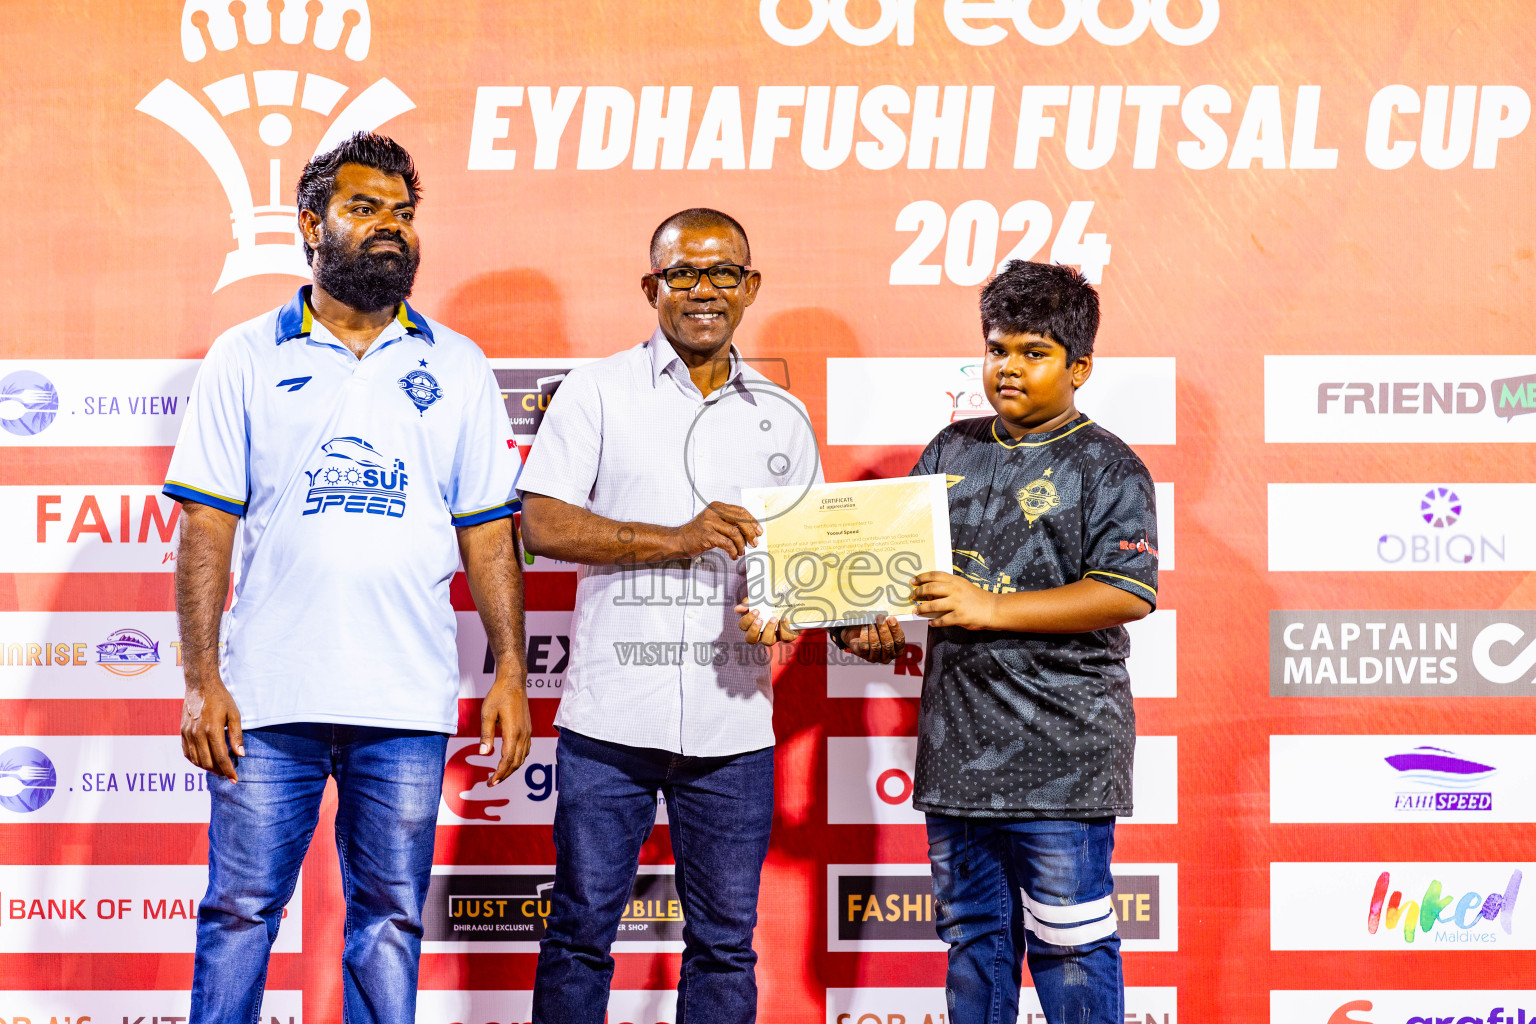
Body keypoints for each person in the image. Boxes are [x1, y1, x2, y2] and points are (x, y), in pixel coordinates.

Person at [167, 132, 531, 1024]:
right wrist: (201, 679)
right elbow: (206, 525)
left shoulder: (458, 364)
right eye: (365, 209)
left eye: (403, 215)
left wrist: (512, 673)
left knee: (389, 921)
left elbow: (489, 534)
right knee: (241, 912)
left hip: (403, 700)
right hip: (268, 697)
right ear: (310, 223)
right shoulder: (245, 355)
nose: (390, 230)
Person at [518, 208, 905, 1023]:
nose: (704, 290)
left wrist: (845, 619)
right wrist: (679, 539)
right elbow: (542, 524)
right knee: (580, 933)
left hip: (734, 730)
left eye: (723, 273)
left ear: (750, 286)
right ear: (651, 287)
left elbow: (806, 566)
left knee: (726, 944)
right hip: (611, 722)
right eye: (683, 274)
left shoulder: (783, 417)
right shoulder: (596, 392)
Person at [901, 260, 1158, 1024]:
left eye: (1033, 352)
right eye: (997, 349)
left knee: (1072, 945)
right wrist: (863, 620)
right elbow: (895, 569)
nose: (1008, 368)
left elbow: (1127, 592)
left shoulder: (1109, 465)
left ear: (1079, 366)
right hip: (956, 756)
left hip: (1063, 759)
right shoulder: (950, 449)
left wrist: (987, 606)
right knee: (972, 941)